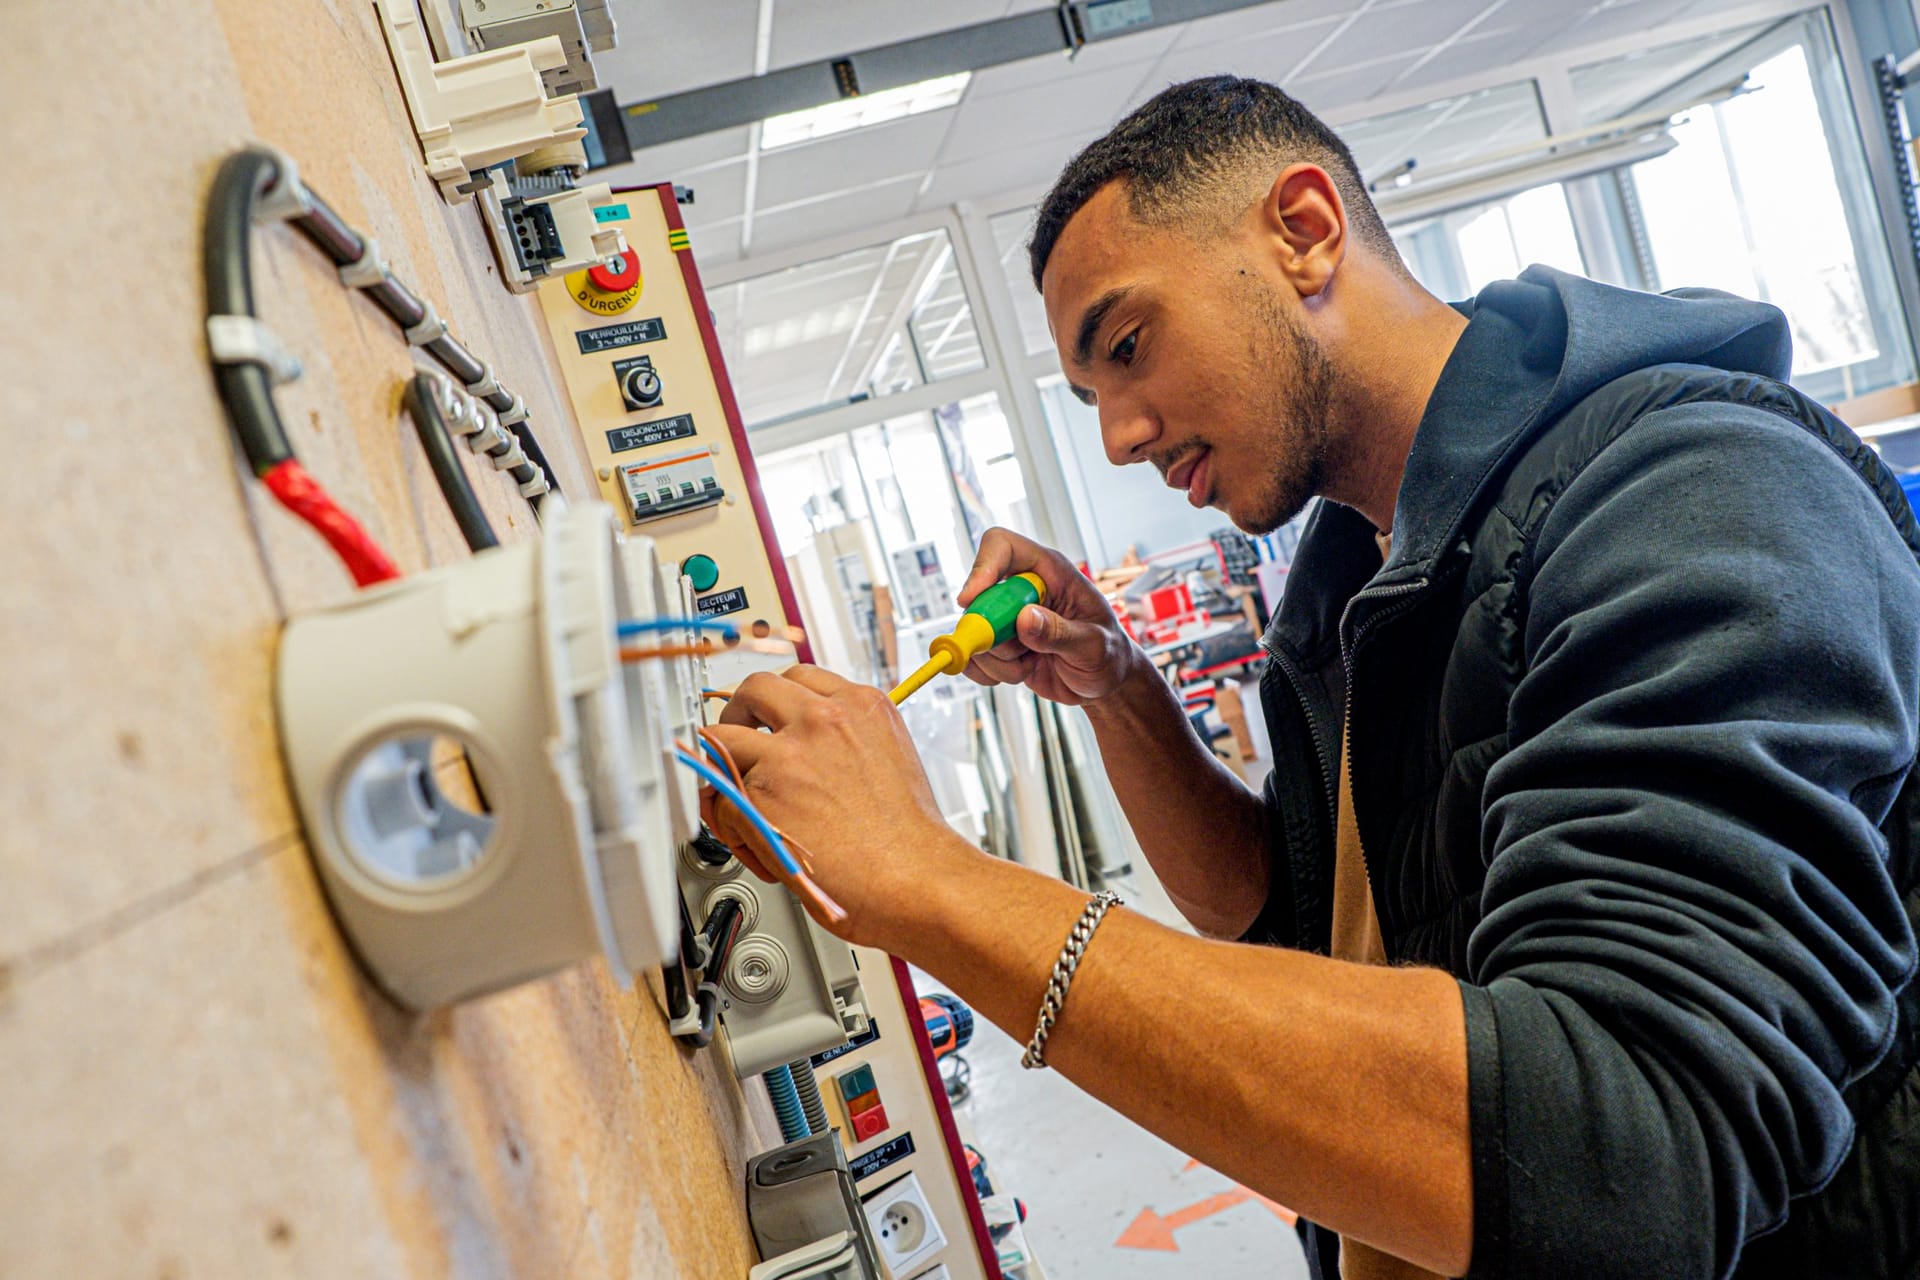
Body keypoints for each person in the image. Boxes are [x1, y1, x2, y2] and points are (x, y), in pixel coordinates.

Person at [704, 76, 1920, 1279]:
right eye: (1090, 396)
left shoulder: (1697, 494)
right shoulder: (1353, 576)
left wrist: (929, 878)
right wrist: (1119, 687)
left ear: (1304, 230)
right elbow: (1286, 924)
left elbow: (1624, 1149)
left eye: (1127, 347)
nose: (1118, 435)